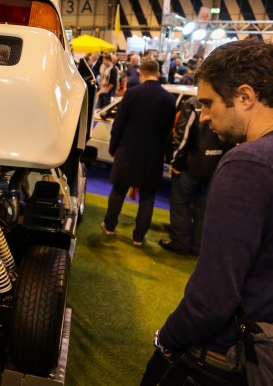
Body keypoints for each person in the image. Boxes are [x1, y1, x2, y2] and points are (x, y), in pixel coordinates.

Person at [141, 39, 273, 386]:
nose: (203, 115)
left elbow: (215, 293)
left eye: (208, 103)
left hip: (226, 355)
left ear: (245, 96)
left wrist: (168, 338)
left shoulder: (249, 163)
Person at [101, 60, 176, 245]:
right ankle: (138, 237)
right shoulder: (169, 99)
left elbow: (118, 124)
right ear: (157, 74)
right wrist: (165, 156)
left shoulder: (132, 93)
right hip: (153, 156)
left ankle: (109, 227)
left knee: (118, 191)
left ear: (141, 73)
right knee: (147, 197)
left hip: (128, 152)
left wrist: (113, 147)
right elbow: (169, 132)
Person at [158, 95, 232, 256]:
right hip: (214, 167)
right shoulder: (227, 102)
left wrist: (176, 161)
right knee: (203, 207)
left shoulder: (193, 104)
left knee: (180, 203)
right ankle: (198, 246)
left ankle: (180, 243)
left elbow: (183, 136)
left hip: (191, 166)